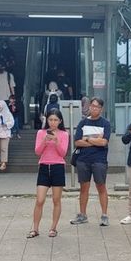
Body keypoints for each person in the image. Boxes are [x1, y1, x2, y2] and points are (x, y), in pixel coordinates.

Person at [70, 98, 112, 226]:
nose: (94, 108)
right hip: (83, 160)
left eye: (97, 106)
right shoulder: (83, 123)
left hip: (99, 160)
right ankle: (82, 215)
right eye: (92, 106)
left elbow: (104, 142)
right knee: (83, 188)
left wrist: (87, 139)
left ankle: (104, 215)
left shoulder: (105, 123)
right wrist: (95, 140)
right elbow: (77, 142)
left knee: (101, 186)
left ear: (101, 109)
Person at [30, 109, 70, 238]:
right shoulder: (41, 133)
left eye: (55, 120)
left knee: (56, 200)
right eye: (50, 119)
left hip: (58, 167)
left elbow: (63, 153)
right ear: (46, 120)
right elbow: (38, 151)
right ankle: (35, 228)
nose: (53, 123)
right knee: (40, 200)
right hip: (44, 166)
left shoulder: (64, 134)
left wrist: (56, 140)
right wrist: (45, 141)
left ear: (60, 121)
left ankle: (53, 228)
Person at [0, 100, 15, 172]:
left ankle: (3, 163)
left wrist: (5, 124)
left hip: (5, 133)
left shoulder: (8, 113)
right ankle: (1, 160)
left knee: (4, 148)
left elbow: (12, 122)